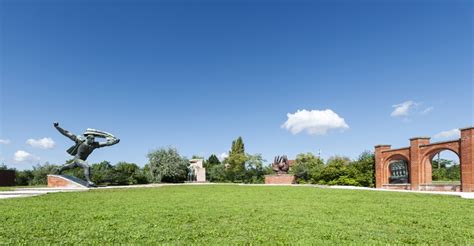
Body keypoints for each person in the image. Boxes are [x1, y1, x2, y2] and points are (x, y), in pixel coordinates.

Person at [53, 122, 120, 187]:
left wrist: (115, 141)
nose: (93, 140)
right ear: (87, 138)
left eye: (94, 139)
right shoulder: (80, 141)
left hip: (80, 160)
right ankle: (89, 181)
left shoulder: (94, 145)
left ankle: (59, 169)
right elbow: (67, 133)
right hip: (77, 159)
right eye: (92, 139)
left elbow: (106, 144)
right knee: (86, 166)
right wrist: (57, 127)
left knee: (69, 166)